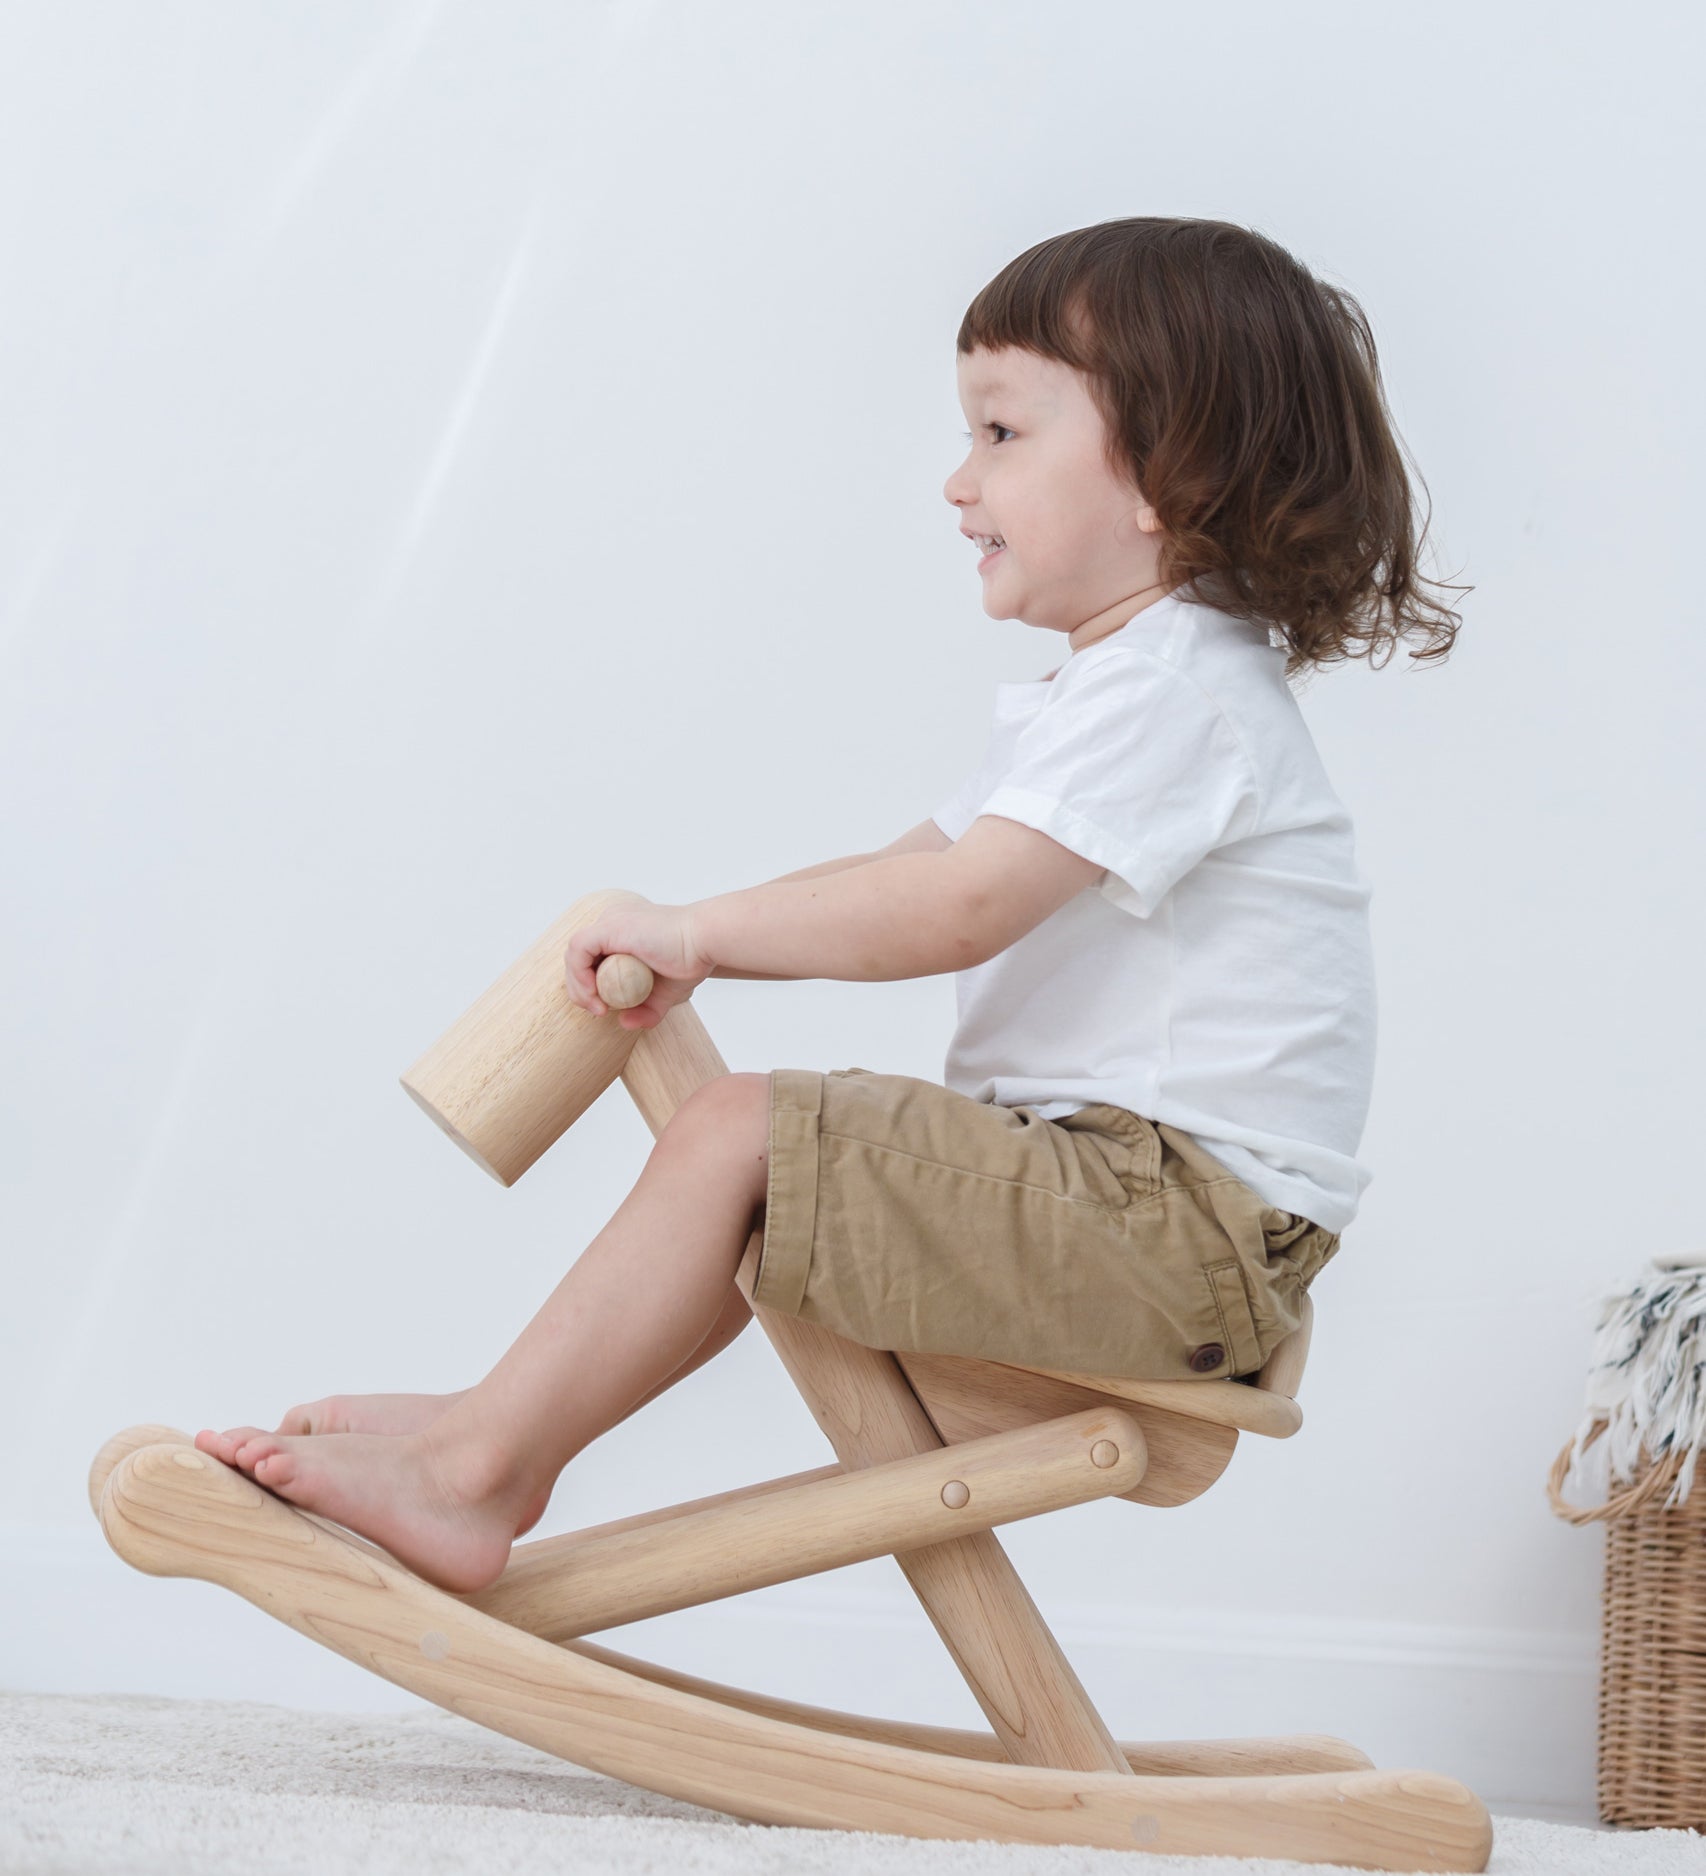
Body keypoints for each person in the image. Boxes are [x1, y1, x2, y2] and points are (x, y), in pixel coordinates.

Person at [196, 215, 1465, 1595]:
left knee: (742, 1133)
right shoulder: (1116, 691)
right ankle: (501, 1428)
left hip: (1172, 1232)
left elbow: (959, 908)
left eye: (999, 433)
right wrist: (700, 929)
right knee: (747, 1143)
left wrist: (699, 938)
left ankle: (481, 1469)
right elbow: (904, 870)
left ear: (1169, 473)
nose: (953, 481)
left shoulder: (1171, 689)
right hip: (1146, 1212)